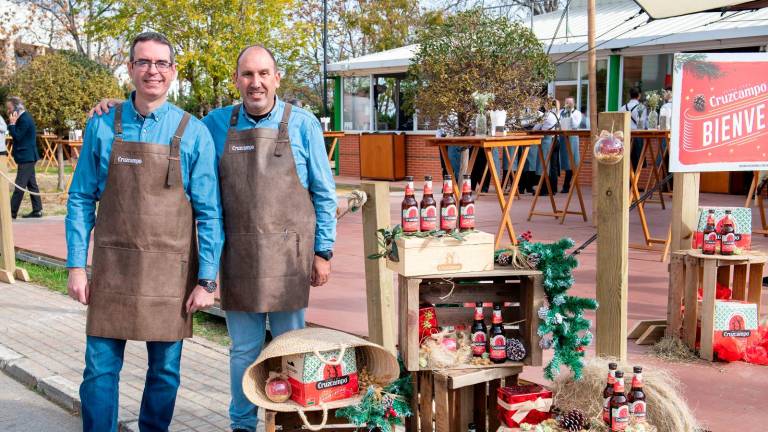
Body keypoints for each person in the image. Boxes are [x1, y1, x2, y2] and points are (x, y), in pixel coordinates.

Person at [94, 44, 338, 432]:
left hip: (290, 259)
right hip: (238, 257)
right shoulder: (214, 124)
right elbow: (161, 118)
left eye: (262, 74)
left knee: (292, 348)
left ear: (276, 78)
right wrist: (118, 104)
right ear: (236, 80)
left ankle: (293, 422)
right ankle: (242, 424)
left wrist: (323, 251)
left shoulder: (304, 124)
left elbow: (324, 194)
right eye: (247, 74)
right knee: (243, 350)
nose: (255, 83)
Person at [66, 32, 224, 432]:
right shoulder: (103, 125)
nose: (152, 71)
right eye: (143, 62)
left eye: (161, 63)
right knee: (99, 371)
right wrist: (75, 266)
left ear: (173, 71)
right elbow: (81, 198)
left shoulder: (193, 132)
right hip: (113, 268)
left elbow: (209, 212)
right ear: (130, 68)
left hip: (170, 275)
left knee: (165, 373)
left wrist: (207, 278)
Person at [6, 96, 42, 218]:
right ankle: (37, 210)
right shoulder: (23, 118)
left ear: (16, 108)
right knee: (32, 184)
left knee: (19, 184)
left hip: (27, 156)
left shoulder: (24, 119)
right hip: (27, 156)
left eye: (9, 108)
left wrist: (12, 124)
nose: (8, 111)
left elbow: (18, 136)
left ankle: (11, 212)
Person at [531, 98, 561, 196]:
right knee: (553, 166)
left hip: (547, 141)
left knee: (544, 165)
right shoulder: (558, 114)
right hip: (557, 140)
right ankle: (553, 189)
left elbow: (536, 128)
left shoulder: (546, 115)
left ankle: (544, 190)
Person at [558, 97, 583, 193]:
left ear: (574, 104)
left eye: (570, 102)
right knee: (563, 160)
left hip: (572, 138)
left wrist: (570, 114)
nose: (568, 104)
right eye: (567, 102)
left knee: (571, 161)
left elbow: (576, 125)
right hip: (563, 138)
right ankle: (564, 184)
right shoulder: (561, 112)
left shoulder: (577, 113)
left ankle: (566, 184)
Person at [619, 87, 647, 170]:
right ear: (639, 95)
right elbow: (641, 125)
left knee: (626, 162)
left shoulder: (623, 108)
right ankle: (634, 182)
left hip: (625, 137)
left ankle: (629, 182)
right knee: (637, 162)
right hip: (637, 137)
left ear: (630, 95)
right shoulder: (641, 107)